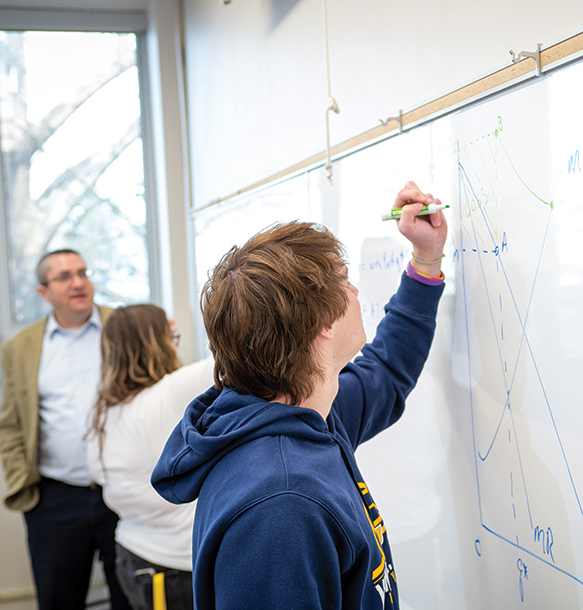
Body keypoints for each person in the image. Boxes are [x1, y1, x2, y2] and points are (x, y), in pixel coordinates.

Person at [151, 181, 448, 610]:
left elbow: (387, 369)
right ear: (322, 323)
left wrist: (426, 259)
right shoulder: (281, 506)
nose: (357, 293)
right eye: (346, 283)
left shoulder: (307, 412)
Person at [0, 249, 131, 610]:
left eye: (82, 273)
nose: (78, 283)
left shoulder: (124, 327)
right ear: (44, 292)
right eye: (64, 276)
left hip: (122, 490)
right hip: (54, 500)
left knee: (131, 598)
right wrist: (19, 478)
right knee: (58, 600)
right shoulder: (20, 348)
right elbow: (10, 423)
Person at [86, 304, 215, 610]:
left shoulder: (103, 408)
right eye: (173, 335)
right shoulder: (170, 392)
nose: (177, 343)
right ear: (156, 343)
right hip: (174, 567)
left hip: (132, 555)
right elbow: (246, 355)